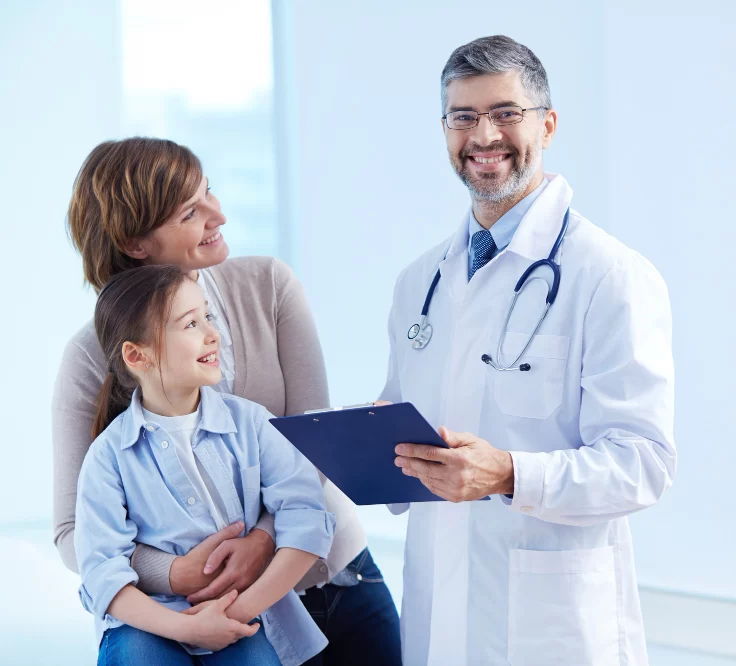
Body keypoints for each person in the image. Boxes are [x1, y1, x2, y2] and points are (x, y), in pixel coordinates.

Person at [381, 35, 676, 665]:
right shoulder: (419, 284)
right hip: (439, 619)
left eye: (505, 113)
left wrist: (511, 473)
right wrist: (371, 445)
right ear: (445, 131)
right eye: (463, 117)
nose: (483, 135)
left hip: (553, 628)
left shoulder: (609, 275)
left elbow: (643, 462)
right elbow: (407, 428)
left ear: (547, 123)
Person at [53, 138, 401, 665]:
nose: (219, 214)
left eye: (208, 192)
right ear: (135, 243)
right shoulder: (89, 357)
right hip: (198, 618)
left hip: (331, 579)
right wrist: (175, 574)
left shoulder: (270, 286)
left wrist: (262, 539)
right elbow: (74, 531)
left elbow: (314, 449)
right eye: (191, 211)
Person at [76, 265, 334, 665]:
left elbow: (306, 520)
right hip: (148, 622)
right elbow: (101, 572)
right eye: (191, 323)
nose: (213, 333)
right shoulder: (108, 456)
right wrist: (189, 628)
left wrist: (236, 613)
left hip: (245, 613)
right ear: (136, 355)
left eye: (208, 317)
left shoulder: (254, 423)